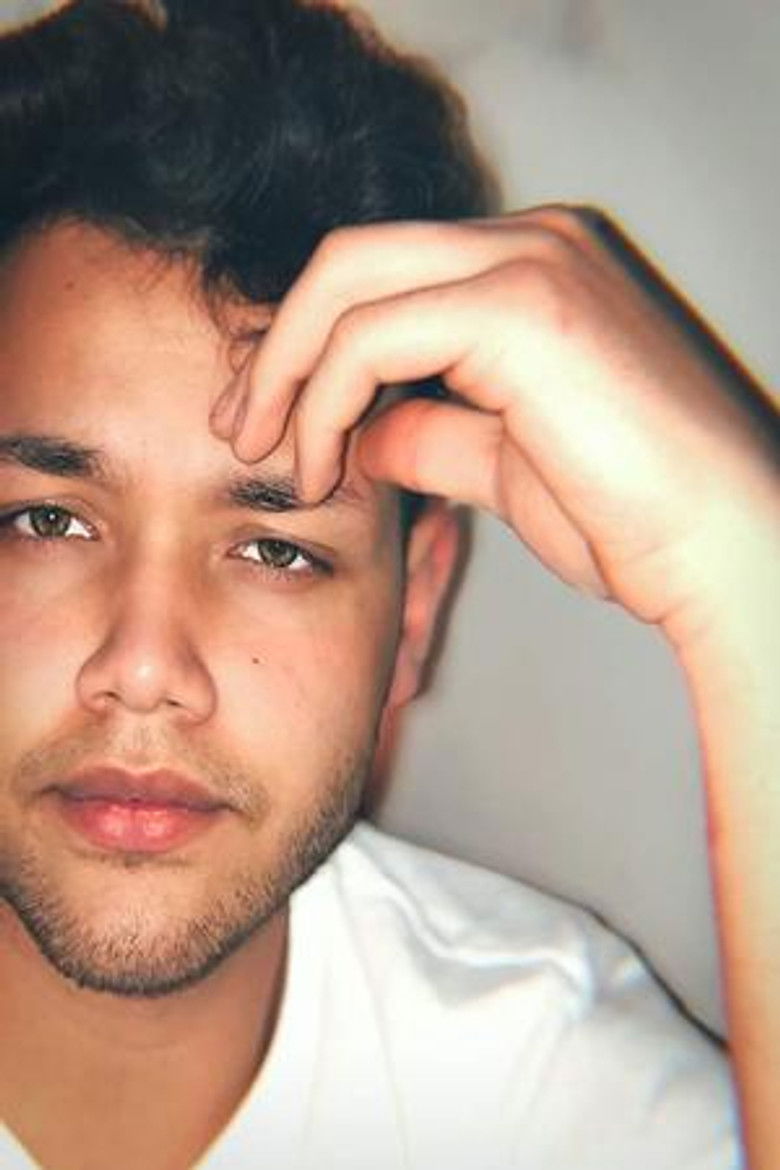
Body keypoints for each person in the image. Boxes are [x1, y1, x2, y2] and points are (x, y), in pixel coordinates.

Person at [0, 1, 777, 1167]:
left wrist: (746, 571)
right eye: (45, 521)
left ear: (413, 613)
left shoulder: (546, 1089)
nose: (146, 669)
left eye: (278, 549)